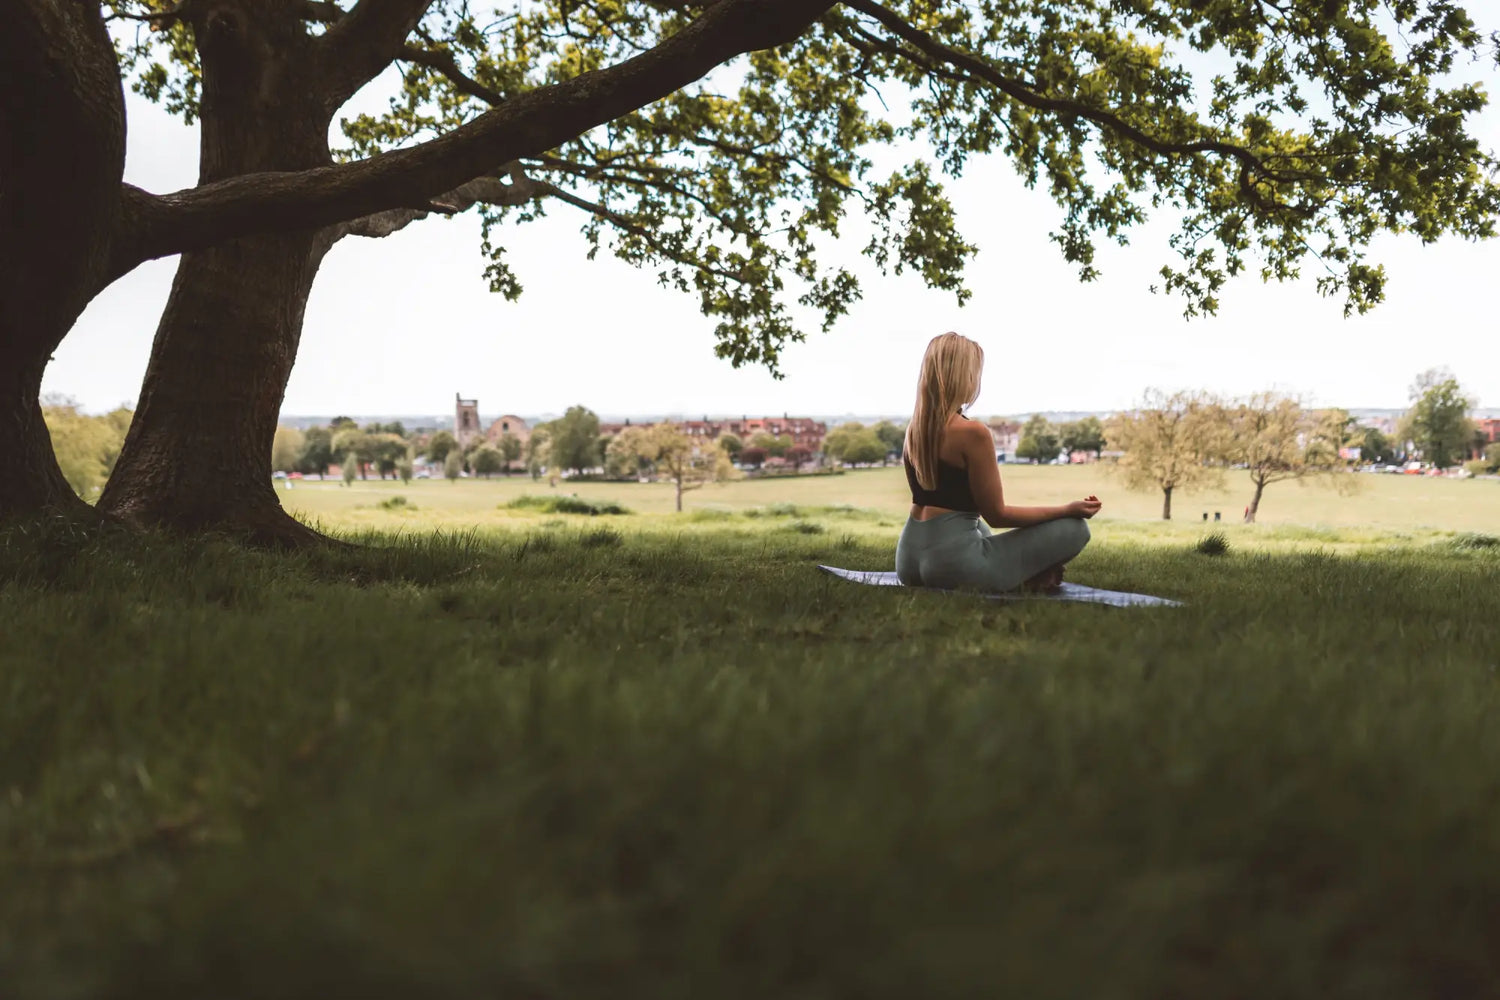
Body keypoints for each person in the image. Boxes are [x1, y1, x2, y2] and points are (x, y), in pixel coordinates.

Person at [896, 332, 1100, 593]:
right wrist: (1067, 509)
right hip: (955, 566)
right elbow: (998, 515)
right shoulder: (973, 433)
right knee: (1075, 529)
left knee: (975, 524)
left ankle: (1022, 574)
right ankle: (1029, 577)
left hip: (908, 562)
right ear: (963, 376)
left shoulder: (915, 430)